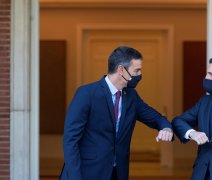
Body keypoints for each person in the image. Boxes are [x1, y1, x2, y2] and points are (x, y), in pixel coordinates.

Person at [59, 46, 173, 180]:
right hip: (86, 173)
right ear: (121, 70)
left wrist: (166, 128)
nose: (139, 75)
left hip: (118, 173)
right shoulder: (86, 94)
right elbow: (70, 140)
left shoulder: (131, 96)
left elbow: (156, 118)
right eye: (137, 70)